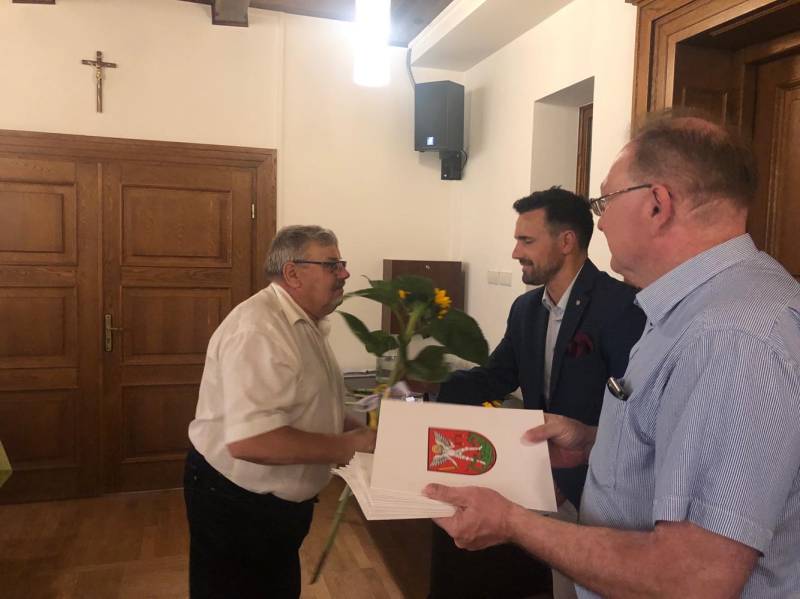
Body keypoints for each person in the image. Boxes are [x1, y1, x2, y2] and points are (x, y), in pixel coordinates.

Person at [424, 114, 800, 598]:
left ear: (657, 204)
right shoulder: (695, 310)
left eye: (605, 201)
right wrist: (592, 443)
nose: (599, 222)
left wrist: (511, 521)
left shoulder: (730, 337)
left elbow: (693, 578)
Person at [425, 188, 645, 599]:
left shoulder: (622, 307)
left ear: (566, 241)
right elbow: (497, 377)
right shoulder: (525, 310)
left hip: (599, 490)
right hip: (542, 480)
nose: (515, 253)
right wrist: (426, 384)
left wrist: (569, 473)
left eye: (526, 241)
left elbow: (635, 411)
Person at [184, 225, 377, 599]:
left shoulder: (304, 321)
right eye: (332, 264)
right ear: (293, 273)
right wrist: (348, 446)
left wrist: (363, 433)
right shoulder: (258, 330)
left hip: (274, 510)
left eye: (341, 263)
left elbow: (313, 405)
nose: (345, 273)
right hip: (237, 504)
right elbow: (252, 442)